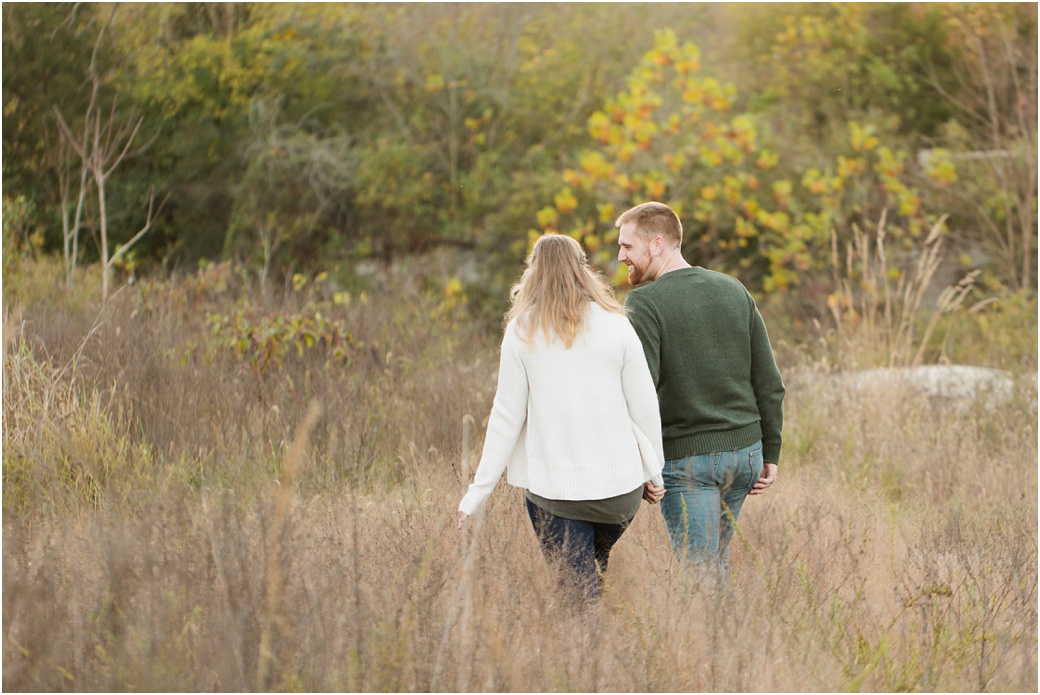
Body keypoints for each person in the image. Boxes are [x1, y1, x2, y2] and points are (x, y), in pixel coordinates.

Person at [457, 233, 665, 603]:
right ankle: (597, 640)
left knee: (577, 595)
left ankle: (584, 651)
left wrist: (478, 492)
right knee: (590, 574)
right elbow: (645, 405)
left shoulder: (522, 331)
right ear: (582, 269)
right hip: (621, 495)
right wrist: (654, 472)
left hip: (556, 495)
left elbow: (506, 417)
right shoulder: (617, 324)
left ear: (533, 272)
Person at [614, 201, 786, 587]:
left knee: (700, 579)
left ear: (657, 244)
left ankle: (711, 646)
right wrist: (770, 453)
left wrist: (643, 463)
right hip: (746, 456)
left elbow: (640, 392)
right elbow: (770, 382)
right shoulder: (733, 289)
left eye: (627, 246)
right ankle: (729, 644)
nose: (621, 255)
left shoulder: (644, 302)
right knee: (715, 567)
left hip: (689, 461)